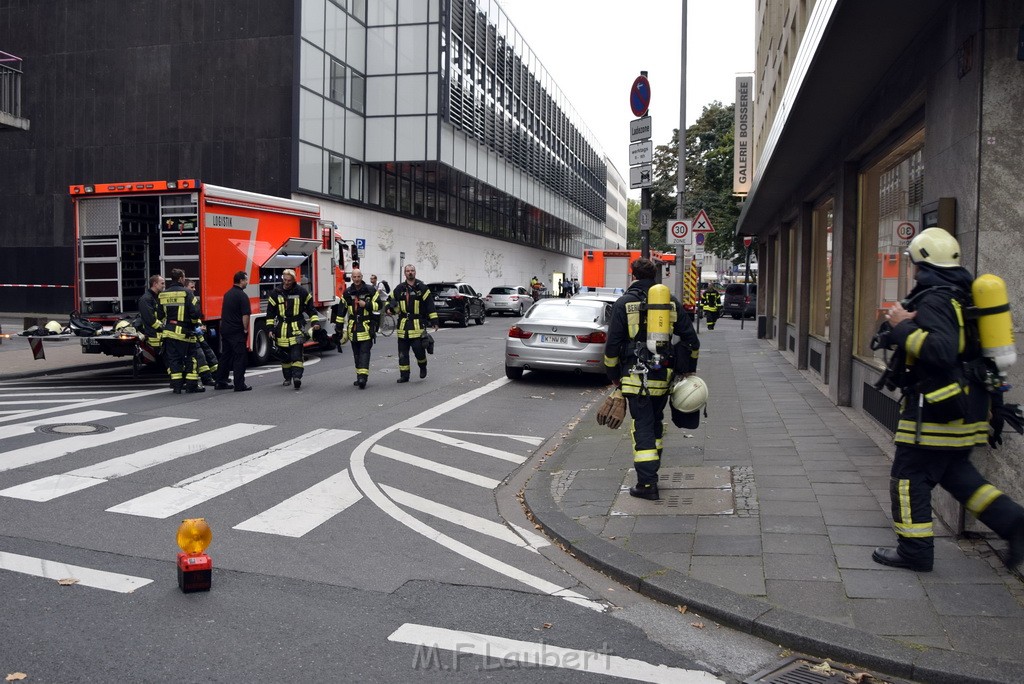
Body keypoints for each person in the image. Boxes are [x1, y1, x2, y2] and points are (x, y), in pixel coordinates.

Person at [871, 227, 1024, 572]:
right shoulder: (959, 294)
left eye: (912, 262)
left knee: (908, 479)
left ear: (921, 263)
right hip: (965, 409)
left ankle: (914, 551)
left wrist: (901, 326)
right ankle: (1014, 522)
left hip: (936, 412)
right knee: (959, 476)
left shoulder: (935, 298)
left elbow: (941, 351)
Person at [604, 258, 701, 501]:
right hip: (664, 376)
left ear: (632, 274)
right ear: (655, 275)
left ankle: (647, 485)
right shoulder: (670, 303)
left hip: (636, 378)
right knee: (655, 423)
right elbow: (692, 341)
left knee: (643, 426)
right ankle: (652, 473)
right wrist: (688, 370)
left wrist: (615, 378)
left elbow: (612, 347)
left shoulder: (624, 303)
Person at [266, 268, 320, 390]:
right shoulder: (275, 293)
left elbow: (311, 309)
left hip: (296, 328)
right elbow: (270, 314)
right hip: (281, 330)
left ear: (293, 280)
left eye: (289, 281)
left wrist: (315, 322)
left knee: (296, 355)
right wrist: (270, 329)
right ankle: (287, 378)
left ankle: (297, 378)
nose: (286, 283)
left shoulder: (301, 292)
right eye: (285, 280)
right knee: (285, 357)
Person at [390, 263, 437, 383]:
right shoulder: (399, 288)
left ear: (415, 272)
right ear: (405, 273)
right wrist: (389, 308)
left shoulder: (422, 288)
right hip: (403, 327)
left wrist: (434, 321)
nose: (410, 272)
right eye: (408, 271)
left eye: (412, 270)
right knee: (402, 354)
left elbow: (430, 305)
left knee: (419, 351)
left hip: (417, 325)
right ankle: (404, 375)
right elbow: (390, 300)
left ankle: (423, 366)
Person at [159, 268, 202, 394]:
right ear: (181, 279)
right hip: (184, 333)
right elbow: (195, 314)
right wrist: (194, 326)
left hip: (168, 333)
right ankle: (191, 386)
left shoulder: (163, 294)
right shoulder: (187, 293)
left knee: (174, 360)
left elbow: (160, 315)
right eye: (184, 277)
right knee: (191, 359)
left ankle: (177, 387)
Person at [334, 268, 380, 389]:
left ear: (362, 277)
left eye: (358, 277)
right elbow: (341, 311)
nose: (356, 279)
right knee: (356, 354)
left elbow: (379, 305)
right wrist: (338, 327)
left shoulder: (370, 290)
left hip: (366, 326)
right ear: (352, 278)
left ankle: (363, 378)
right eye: (354, 277)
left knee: (364, 353)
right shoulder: (347, 292)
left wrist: (367, 305)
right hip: (353, 329)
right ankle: (359, 375)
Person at [214, 270, 252, 392]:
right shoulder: (243, 296)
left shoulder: (227, 294)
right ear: (241, 281)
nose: (247, 282)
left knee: (225, 356)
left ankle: (220, 382)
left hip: (225, 330)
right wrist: (245, 329)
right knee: (240, 358)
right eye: (246, 280)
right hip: (236, 331)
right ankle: (239, 385)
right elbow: (245, 315)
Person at [185, 278, 218, 386]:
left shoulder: (193, 300)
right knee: (200, 356)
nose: (194, 290)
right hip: (192, 333)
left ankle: (218, 376)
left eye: (194, 287)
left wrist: (200, 327)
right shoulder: (185, 301)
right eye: (191, 287)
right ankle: (207, 378)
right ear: (185, 288)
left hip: (198, 333)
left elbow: (197, 317)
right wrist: (197, 329)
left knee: (209, 353)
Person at [137, 274, 165, 358]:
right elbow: (150, 319)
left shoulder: (156, 297)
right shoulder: (146, 299)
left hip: (159, 336)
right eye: (162, 283)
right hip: (153, 337)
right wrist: (163, 327)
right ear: (155, 284)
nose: (164, 286)